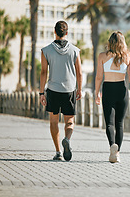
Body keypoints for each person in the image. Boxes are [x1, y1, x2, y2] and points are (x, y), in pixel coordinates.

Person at [39, 20, 82, 161]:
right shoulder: (75, 50)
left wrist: (41, 93)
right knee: (70, 121)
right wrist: (79, 89)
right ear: (67, 32)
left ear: (55, 32)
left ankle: (58, 152)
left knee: (53, 121)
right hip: (70, 90)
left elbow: (44, 72)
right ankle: (67, 139)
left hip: (53, 90)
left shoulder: (46, 50)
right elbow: (79, 73)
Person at [95, 31, 130, 163]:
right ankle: (117, 153)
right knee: (119, 124)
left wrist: (97, 92)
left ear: (110, 42)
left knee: (109, 123)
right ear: (122, 43)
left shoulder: (102, 56)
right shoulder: (128, 57)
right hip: (122, 91)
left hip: (108, 89)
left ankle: (112, 145)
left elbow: (99, 77)